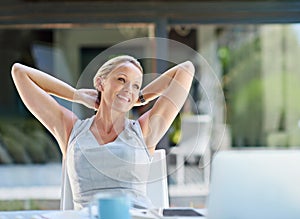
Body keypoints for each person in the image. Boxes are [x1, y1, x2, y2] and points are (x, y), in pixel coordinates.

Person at [11, 55, 195, 210]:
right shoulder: (71, 129)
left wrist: (138, 98)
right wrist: (77, 95)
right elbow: (20, 73)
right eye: (121, 80)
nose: (127, 89)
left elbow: (186, 70)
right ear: (100, 83)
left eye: (135, 85)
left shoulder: (144, 131)